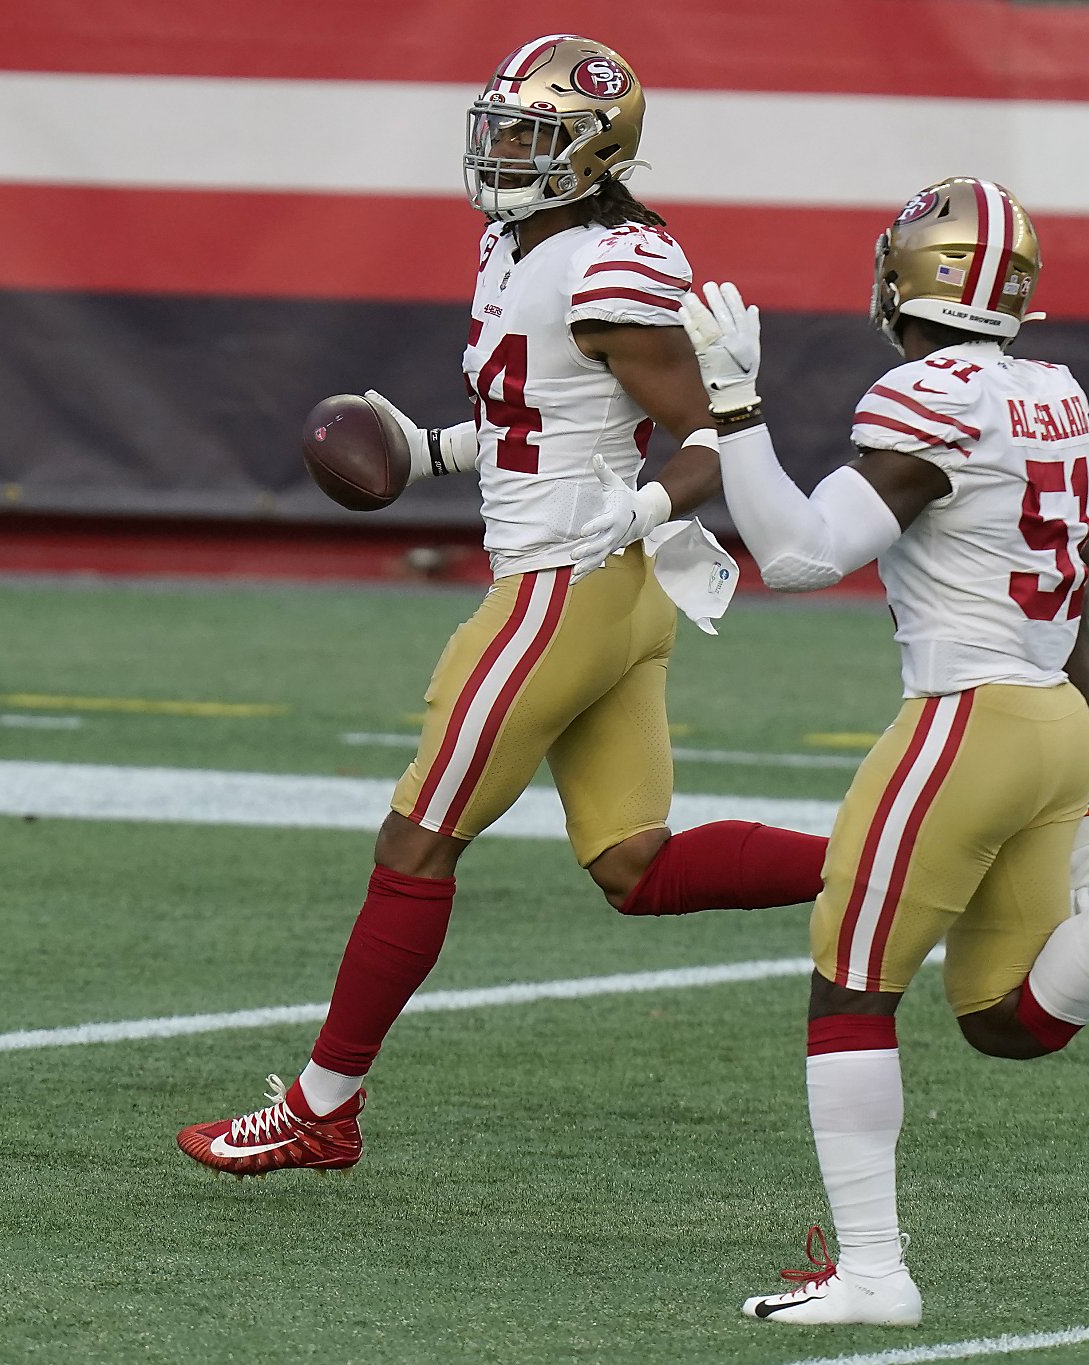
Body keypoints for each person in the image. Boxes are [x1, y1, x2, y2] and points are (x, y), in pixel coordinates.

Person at [177, 35, 829, 1177]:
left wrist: (631, 511)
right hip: (607, 594)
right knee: (635, 867)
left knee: (415, 843)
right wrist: (430, 450)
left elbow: (714, 441)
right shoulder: (519, 245)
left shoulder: (604, 267)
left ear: (592, 154)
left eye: (532, 135)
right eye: (501, 126)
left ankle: (322, 1108)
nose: (503, 149)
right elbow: (541, 417)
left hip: (563, 592)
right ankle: (892, 856)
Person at [678, 177, 1089, 1326]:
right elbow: (1078, 600)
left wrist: (732, 405)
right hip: (1051, 715)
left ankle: (873, 1274)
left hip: (968, 719)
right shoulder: (1054, 393)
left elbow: (802, 556)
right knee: (1003, 1019)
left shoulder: (927, 396)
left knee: (849, 987)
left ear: (913, 275)